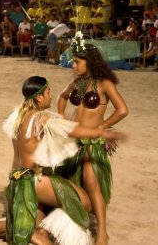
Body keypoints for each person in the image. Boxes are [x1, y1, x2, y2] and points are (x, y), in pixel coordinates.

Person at [0, 76, 125, 244]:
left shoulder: (18, 116)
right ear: (39, 97)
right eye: (48, 92)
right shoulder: (41, 118)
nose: (51, 95)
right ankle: (41, 232)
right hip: (32, 181)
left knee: (41, 220)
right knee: (84, 202)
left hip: (16, 182)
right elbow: (74, 131)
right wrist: (105, 133)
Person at [57, 32, 128, 245]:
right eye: (73, 61)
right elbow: (61, 97)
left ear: (90, 61)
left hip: (92, 143)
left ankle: (102, 233)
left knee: (92, 183)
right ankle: (74, 225)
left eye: (77, 61)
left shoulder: (104, 83)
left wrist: (101, 127)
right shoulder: (78, 82)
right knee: (72, 183)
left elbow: (122, 110)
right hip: (74, 140)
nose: (73, 65)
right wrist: (62, 119)